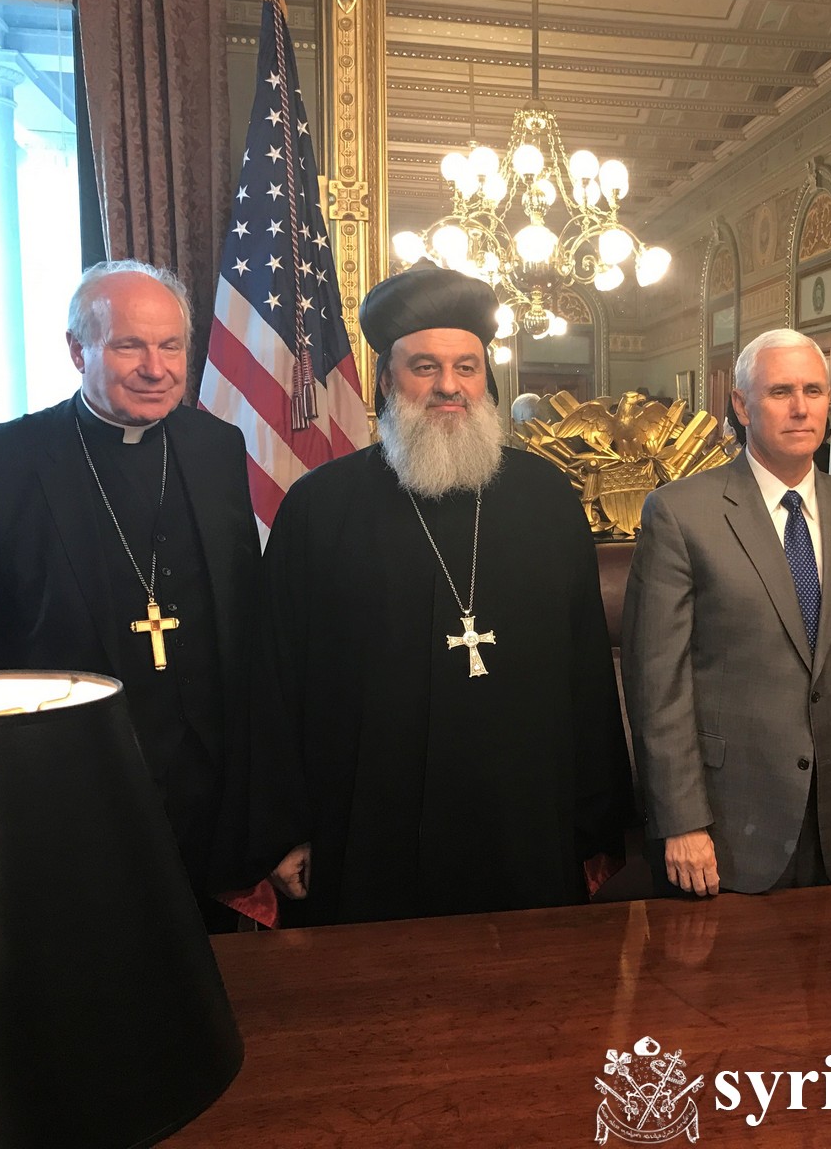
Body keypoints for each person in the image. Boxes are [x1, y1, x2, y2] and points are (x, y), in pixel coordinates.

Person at [253, 261, 633, 925]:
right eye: (424, 366)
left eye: (466, 366)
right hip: (369, 827)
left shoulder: (545, 499)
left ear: (487, 377)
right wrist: (286, 827)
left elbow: (586, 676)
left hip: (525, 827)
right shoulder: (321, 508)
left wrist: (595, 824)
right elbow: (277, 678)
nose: (449, 386)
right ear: (385, 378)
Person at [0, 260, 263, 929]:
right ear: (78, 350)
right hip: (73, 784)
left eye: (170, 346)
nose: (156, 367)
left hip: (212, 784)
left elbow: (247, 617)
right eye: (128, 345)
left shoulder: (216, 448)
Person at [622, 328, 831, 897]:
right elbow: (656, 684)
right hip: (728, 824)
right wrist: (682, 820)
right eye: (780, 391)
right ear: (740, 404)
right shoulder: (681, 514)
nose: (800, 407)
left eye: (814, 390)